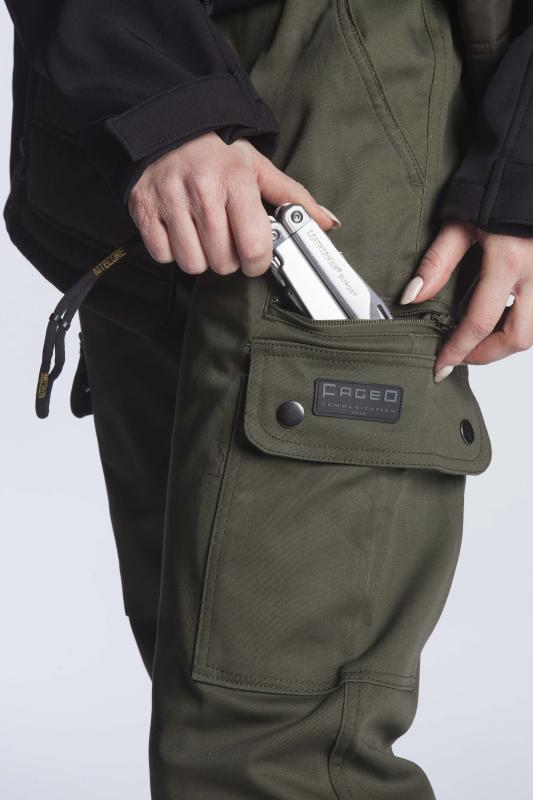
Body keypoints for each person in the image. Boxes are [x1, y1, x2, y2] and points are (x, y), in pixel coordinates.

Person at [3, 1, 533, 797]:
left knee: (271, 744)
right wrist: (153, 98)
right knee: (203, 687)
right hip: (127, 102)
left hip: (354, 85)